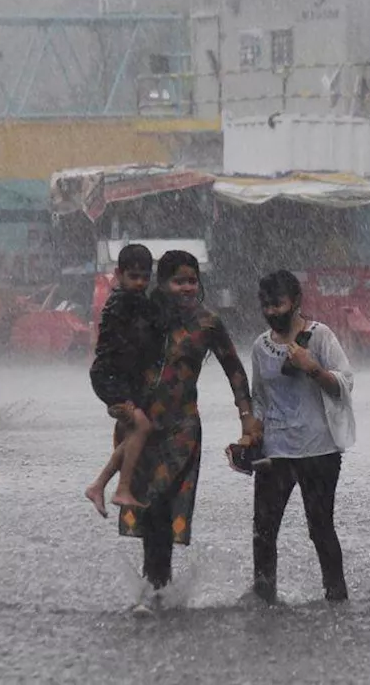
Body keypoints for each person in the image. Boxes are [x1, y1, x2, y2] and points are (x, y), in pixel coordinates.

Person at [120, 250, 260, 613]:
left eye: (192, 281)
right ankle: (158, 587)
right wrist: (115, 401)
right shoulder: (145, 318)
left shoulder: (207, 323)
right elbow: (113, 360)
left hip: (182, 431)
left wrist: (246, 416)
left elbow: (235, 370)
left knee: (160, 503)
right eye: (178, 281)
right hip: (142, 430)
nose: (186, 288)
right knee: (148, 508)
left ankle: (155, 590)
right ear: (162, 284)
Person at [237, 269, 355, 604]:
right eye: (266, 306)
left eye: (278, 304)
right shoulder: (260, 347)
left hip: (319, 450)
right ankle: (264, 595)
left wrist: (312, 367)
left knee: (320, 528)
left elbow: (345, 384)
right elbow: (259, 396)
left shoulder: (320, 337)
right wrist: (251, 431)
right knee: (263, 529)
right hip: (276, 451)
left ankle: (336, 596)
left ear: (296, 302)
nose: (272, 312)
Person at [85, 243, 161, 515]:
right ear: (118, 274)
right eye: (134, 276)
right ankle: (122, 489)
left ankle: (98, 485)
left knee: (135, 433)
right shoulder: (124, 302)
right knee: (141, 427)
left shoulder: (132, 301)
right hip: (110, 378)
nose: (140, 283)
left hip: (120, 378)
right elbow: (133, 344)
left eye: (145, 277)